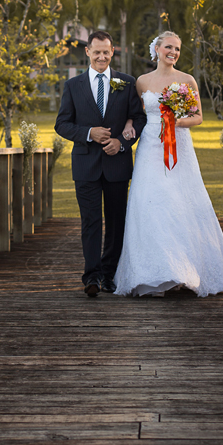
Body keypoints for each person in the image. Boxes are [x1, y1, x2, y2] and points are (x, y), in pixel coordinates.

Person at [114, 31, 223, 297]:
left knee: (180, 204)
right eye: (168, 47)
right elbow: (136, 115)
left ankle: (184, 271)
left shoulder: (186, 80)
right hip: (150, 149)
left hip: (179, 150)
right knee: (150, 203)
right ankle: (153, 274)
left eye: (178, 49)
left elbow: (197, 117)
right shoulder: (142, 82)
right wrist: (128, 124)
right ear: (157, 49)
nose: (173, 52)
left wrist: (176, 122)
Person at [55, 30, 147, 297]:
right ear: (87, 52)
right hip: (86, 165)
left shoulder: (126, 83)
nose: (102, 57)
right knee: (91, 221)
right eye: (97, 52)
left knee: (116, 222)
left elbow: (138, 119)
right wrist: (88, 133)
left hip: (117, 164)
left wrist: (122, 142)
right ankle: (91, 276)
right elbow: (62, 124)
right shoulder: (73, 86)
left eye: (106, 52)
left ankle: (110, 275)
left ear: (112, 51)